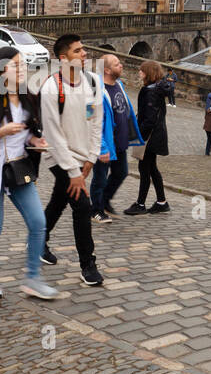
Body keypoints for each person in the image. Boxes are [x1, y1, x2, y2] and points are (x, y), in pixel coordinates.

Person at [0, 47, 60, 300]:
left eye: (23, 64)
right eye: (15, 65)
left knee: (38, 223)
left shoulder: (29, 97)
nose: (21, 69)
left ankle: (33, 278)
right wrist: (1, 132)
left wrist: (34, 139)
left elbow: (31, 129)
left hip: (19, 171)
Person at [39, 33, 106, 285]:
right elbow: (53, 134)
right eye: (78, 51)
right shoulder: (50, 87)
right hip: (58, 157)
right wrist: (73, 170)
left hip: (82, 157)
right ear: (63, 58)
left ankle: (37, 240)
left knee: (59, 200)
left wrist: (91, 157)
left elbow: (96, 121)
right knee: (82, 206)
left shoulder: (92, 83)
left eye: (83, 50)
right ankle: (88, 265)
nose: (84, 54)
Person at [90, 54, 142, 223]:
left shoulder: (119, 85)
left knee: (121, 172)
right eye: (117, 64)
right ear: (106, 70)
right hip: (104, 144)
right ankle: (96, 210)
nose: (121, 66)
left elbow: (123, 111)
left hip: (120, 142)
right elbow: (90, 121)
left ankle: (104, 201)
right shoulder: (95, 90)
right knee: (100, 178)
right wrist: (102, 147)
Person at [124, 62, 176, 216]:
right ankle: (162, 202)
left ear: (148, 73)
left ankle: (141, 204)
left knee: (145, 169)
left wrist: (138, 135)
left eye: (141, 70)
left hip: (149, 136)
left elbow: (149, 119)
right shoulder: (157, 88)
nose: (139, 72)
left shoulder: (151, 91)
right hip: (155, 134)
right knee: (151, 168)